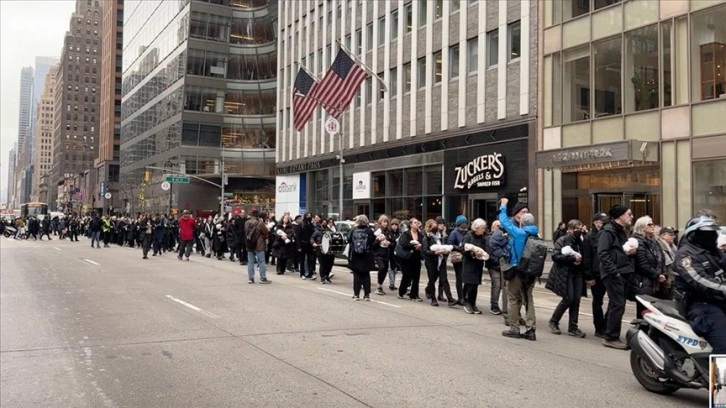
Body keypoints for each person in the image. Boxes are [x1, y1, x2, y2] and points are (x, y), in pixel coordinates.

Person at [673, 215, 726, 354]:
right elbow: (699, 279)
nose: (710, 236)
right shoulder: (685, 255)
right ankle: (719, 376)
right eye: (705, 234)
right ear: (694, 235)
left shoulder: (713, 251)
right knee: (724, 345)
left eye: (712, 233)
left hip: (719, 300)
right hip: (700, 305)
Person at [498, 199, 539, 341]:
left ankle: (514, 328)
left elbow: (503, 220)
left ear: (522, 222)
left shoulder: (519, 233)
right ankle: (531, 329)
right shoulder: (536, 234)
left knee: (513, 298)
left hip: (518, 270)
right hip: (531, 272)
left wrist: (503, 205)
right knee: (529, 299)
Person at [597, 204, 635, 350]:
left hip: (622, 271)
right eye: (628, 214)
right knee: (618, 304)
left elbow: (618, 251)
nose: (631, 217)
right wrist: (614, 272)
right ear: (619, 216)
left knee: (616, 304)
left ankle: (610, 333)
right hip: (614, 273)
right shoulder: (608, 231)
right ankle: (611, 337)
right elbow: (603, 253)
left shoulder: (620, 231)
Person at [547, 219, 590, 338]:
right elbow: (556, 256)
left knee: (576, 300)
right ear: (570, 229)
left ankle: (573, 327)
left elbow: (586, 256)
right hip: (566, 273)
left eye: (581, 228)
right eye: (576, 228)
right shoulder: (563, 240)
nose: (579, 231)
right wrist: (572, 258)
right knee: (568, 298)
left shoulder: (581, 241)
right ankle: (554, 321)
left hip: (578, 273)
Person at [632, 216, 667, 318]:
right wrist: (657, 275)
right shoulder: (638, 241)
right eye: (649, 224)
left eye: (653, 224)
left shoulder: (655, 242)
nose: (653, 226)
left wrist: (663, 273)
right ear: (642, 227)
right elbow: (642, 263)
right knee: (644, 311)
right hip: (644, 281)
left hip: (657, 282)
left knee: (657, 311)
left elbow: (662, 259)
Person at [582, 212, 609, 338]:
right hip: (596, 273)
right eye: (601, 221)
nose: (603, 224)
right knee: (597, 301)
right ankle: (599, 328)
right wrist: (588, 276)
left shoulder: (608, 235)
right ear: (596, 222)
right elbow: (586, 258)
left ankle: (607, 324)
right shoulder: (589, 237)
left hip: (608, 272)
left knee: (616, 301)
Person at [423, 219, 455, 307]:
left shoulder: (440, 237)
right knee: (432, 280)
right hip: (432, 262)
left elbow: (444, 246)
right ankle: (433, 298)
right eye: (433, 226)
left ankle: (450, 299)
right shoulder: (427, 238)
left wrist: (445, 251)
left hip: (441, 260)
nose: (436, 227)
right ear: (429, 227)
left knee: (444, 279)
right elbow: (425, 251)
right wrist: (434, 253)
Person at [459, 218, 488, 314]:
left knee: (475, 285)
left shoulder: (483, 237)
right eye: (482, 228)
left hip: (478, 264)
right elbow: (463, 249)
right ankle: (467, 302)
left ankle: (473, 303)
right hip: (469, 264)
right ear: (476, 228)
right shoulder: (468, 236)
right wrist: (473, 253)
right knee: (469, 284)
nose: (484, 230)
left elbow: (485, 247)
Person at [348, 215, 375, 300]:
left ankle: (356, 294)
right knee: (366, 274)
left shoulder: (354, 230)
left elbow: (348, 239)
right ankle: (367, 295)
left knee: (356, 274)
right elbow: (373, 242)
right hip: (366, 255)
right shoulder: (369, 231)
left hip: (355, 255)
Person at [397, 218, 424, 301]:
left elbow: (424, 243)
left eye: (417, 222)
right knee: (407, 275)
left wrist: (420, 246)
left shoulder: (420, 235)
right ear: (411, 224)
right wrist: (413, 245)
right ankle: (401, 291)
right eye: (415, 222)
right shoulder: (406, 234)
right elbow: (403, 244)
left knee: (416, 276)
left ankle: (414, 294)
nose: (417, 224)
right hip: (407, 258)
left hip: (416, 257)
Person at [488, 220, 509, 317]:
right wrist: (499, 259)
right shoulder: (490, 238)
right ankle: (494, 305)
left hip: (502, 266)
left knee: (503, 286)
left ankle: (504, 307)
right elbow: (490, 252)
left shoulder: (504, 236)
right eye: (497, 226)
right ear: (493, 227)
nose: (499, 228)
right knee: (497, 284)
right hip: (494, 265)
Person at [447, 215, 469, 306]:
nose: (465, 225)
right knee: (459, 278)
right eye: (463, 223)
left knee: (467, 278)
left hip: (467, 258)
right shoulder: (454, 233)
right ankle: (461, 297)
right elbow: (450, 244)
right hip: (458, 259)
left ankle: (465, 295)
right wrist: (460, 248)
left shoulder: (468, 232)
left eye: (465, 223)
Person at [245, 210, 271, 284]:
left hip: (249, 245)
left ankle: (251, 278)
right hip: (259, 245)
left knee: (250, 262)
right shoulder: (260, 223)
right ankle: (263, 278)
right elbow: (266, 232)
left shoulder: (246, 223)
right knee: (261, 262)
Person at [372, 215, 394, 295]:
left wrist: (389, 243)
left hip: (386, 253)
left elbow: (393, 243)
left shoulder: (388, 232)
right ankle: (378, 286)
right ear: (380, 222)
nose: (385, 223)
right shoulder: (377, 231)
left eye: (386, 222)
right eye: (384, 222)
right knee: (382, 267)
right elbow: (372, 244)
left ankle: (380, 286)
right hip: (378, 253)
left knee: (385, 270)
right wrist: (378, 240)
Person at [655, 226, 678, 300]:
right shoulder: (659, 245)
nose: (673, 237)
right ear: (663, 235)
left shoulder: (673, 247)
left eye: (674, 235)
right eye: (671, 235)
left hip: (672, 278)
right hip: (665, 279)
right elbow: (667, 263)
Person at [311, 219, 335, 284]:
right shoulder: (317, 231)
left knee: (329, 264)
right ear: (321, 223)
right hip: (320, 250)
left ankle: (327, 276)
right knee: (323, 264)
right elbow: (312, 238)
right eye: (323, 223)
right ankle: (322, 277)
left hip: (329, 251)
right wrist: (313, 243)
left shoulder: (330, 231)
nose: (324, 224)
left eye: (325, 223)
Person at [387, 218, 402, 290]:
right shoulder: (389, 233)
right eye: (392, 224)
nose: (394, 226)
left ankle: (392, 282)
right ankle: (391, 282)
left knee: (395, 268)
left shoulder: (400, 233)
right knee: (390, 268)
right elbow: (388, 242)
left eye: (396, 224)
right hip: (390, 253)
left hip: (397, 253)